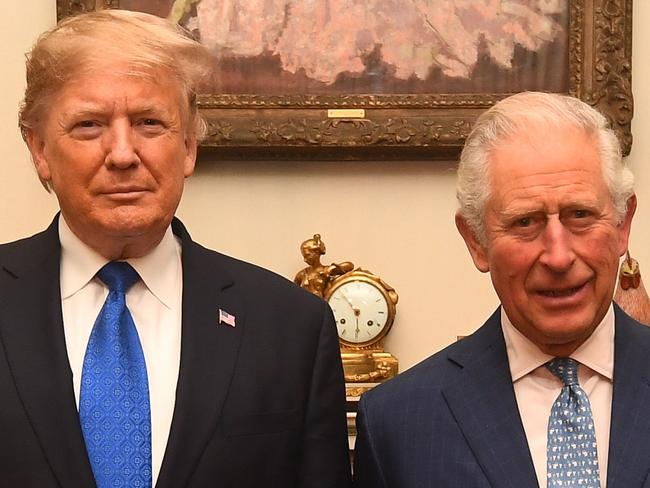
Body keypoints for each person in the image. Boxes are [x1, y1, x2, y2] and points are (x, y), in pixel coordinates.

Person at [1, 10, 351, 488]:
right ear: (39, 149)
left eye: (149, 122)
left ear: (188, 144)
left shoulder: (291, 327)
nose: (122, 153)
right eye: (88, 125)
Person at [353, 92, 649, 487]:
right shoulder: (399, 421)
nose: (558, 257)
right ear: (476, 240)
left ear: (622, 225)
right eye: (525, 222)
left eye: (580, 214)